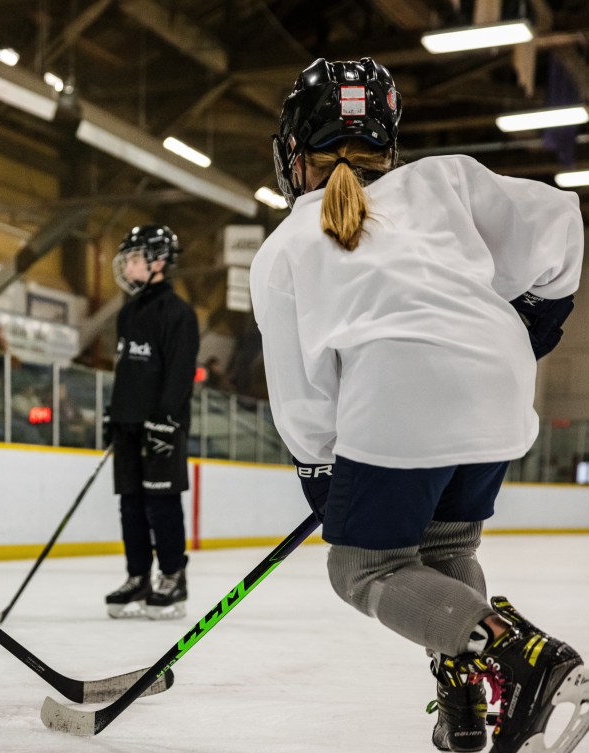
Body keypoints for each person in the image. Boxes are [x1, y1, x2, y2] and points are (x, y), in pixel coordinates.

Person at [253, 57, 586, 753]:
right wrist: (534, 327)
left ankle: (524, 658)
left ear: (293, 151)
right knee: (444, 548)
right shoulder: (443, 181)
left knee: (363, 568)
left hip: (403, 392)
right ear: (388, 140)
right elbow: (560, 219)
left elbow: (304, 400)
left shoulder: (285, 247)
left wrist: (321, 473)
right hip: (499, 379)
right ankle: (463, 708)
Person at [103, 225, 198, 620]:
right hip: (127, 426)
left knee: (161, 505)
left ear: (159, 261)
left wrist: (165, 420)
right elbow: (126, 371)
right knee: (131, 506)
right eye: (126, 258)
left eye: (135, 257)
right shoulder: (128, 313)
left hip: (161, 427)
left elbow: (179, 373)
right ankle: (138, 576)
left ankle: (173, 576)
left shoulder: (179, 314)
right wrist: (114, 415)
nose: (127, 265)